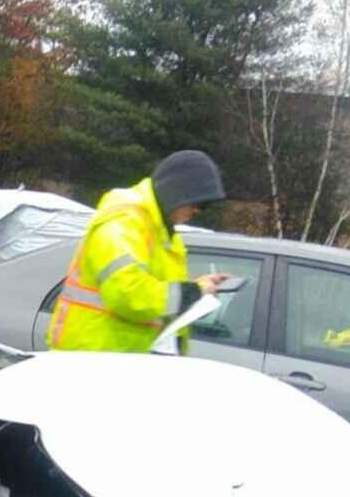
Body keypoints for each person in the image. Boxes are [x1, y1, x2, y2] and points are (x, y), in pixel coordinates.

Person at [47, 150, 232, 354]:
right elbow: (128, 293)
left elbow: (161, 291)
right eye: (199, 203)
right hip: (95, 360)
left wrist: (198, 287)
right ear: (176, 193)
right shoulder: (123, 221)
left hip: (123, 358)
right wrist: (194, 293)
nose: (198, 211)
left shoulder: (161, 230)